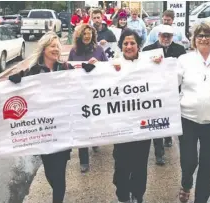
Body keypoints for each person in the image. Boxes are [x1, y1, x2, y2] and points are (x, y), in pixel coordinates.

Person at [0, 32, 75, 203]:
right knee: (50, 173)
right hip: (43, 131)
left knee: (60, 172)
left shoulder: (65, 68)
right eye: (52, 46)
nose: (56, 49)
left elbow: (82, 82)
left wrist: (90, 69)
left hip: (62, 129)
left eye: (58, 46)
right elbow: (11, 90)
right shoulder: (32, 72)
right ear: (44, 49)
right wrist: (2, 84)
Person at [111, 28, 160, 203]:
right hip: (121, 126)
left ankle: (138, 194)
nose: (129, 46)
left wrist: (160, 65)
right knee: (121, 163)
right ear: (121, 46)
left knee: (140, 164)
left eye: (132, 43)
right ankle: (123, 195)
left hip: (143, 126)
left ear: (139, 46)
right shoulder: (112, 65)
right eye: (126, 43)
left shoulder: (148, 63)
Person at [177, 21, 210, 203]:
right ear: (193, 39)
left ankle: (201, 199)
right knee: (189, 161)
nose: (204, 38)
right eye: (200, 35)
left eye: (207, 35)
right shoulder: (184, 60)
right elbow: (168, 83)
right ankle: (186, 181)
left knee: (208, 163)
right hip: (188, 119)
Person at [143, 24, 186, 166]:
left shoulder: (180, 50)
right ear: (158, 35)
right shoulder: (148, 50)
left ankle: (168, 136)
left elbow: (183, 69)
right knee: (156, 122)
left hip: (173, 91)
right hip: (155, 92)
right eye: (164, 35)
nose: (166, 38)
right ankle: (159, 154)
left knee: (169, 117)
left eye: (169, 36)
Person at [68, 24, 108, 173]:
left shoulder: (99, 50)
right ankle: (83, 160)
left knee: (94, 121)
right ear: (79, 35)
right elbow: (68, 70)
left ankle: (95, 140)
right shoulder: (74, 51)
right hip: (80, 94)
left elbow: (107, 68)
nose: (87, 36)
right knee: (82, 125)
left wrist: (99, 66)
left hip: (95, 93)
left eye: (89, 33)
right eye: (84, 33)